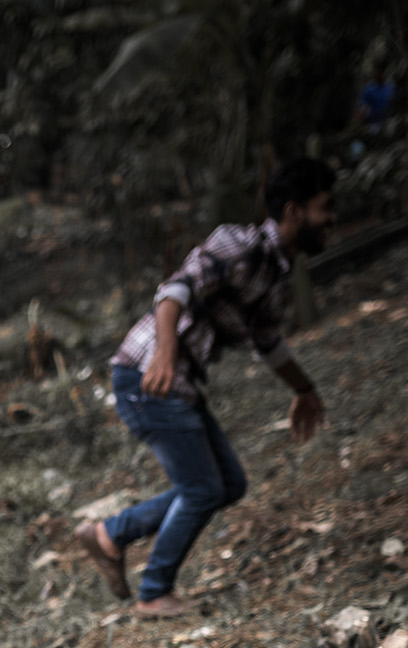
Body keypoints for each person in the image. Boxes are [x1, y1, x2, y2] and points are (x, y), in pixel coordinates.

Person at [77, 158, 336, 615]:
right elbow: (173, 292)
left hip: (173, 380)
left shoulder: (276, 273)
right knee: (201, 489)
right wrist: (164, 352)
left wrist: (305, 390)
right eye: (324, 208)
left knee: (228, 483)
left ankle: (110, 534)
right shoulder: (237, 244)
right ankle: (154, 591)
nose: (331, 218)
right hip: (148, 375)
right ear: (294, 212)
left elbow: (269, 343)